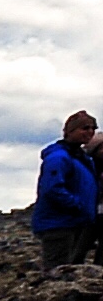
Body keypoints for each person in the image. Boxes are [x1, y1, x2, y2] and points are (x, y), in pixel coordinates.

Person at [40, 111, 103, 268]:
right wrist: (78, 205)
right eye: (84, 128)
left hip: (75, 222)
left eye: (93, 128)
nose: (89, 132)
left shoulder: (81, 158)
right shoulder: (59, 157)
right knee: (58, 270)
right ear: (69, 131)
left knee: (69, 268)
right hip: (59, 224)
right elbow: (53, 189)